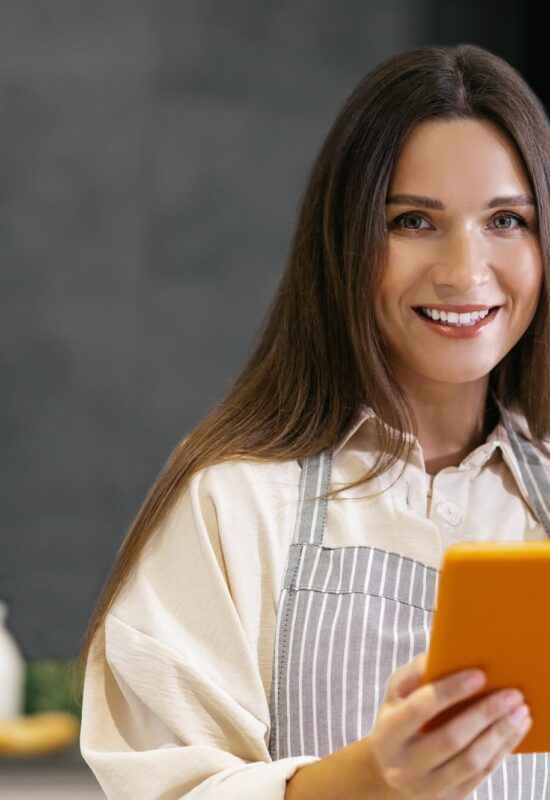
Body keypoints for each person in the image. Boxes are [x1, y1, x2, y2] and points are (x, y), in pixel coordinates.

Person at [78, 42, 550, 799]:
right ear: (344, 240)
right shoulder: (233, 499)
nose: (466, 271)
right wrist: (367, 779)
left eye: (506, 219)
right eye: (412, 221)